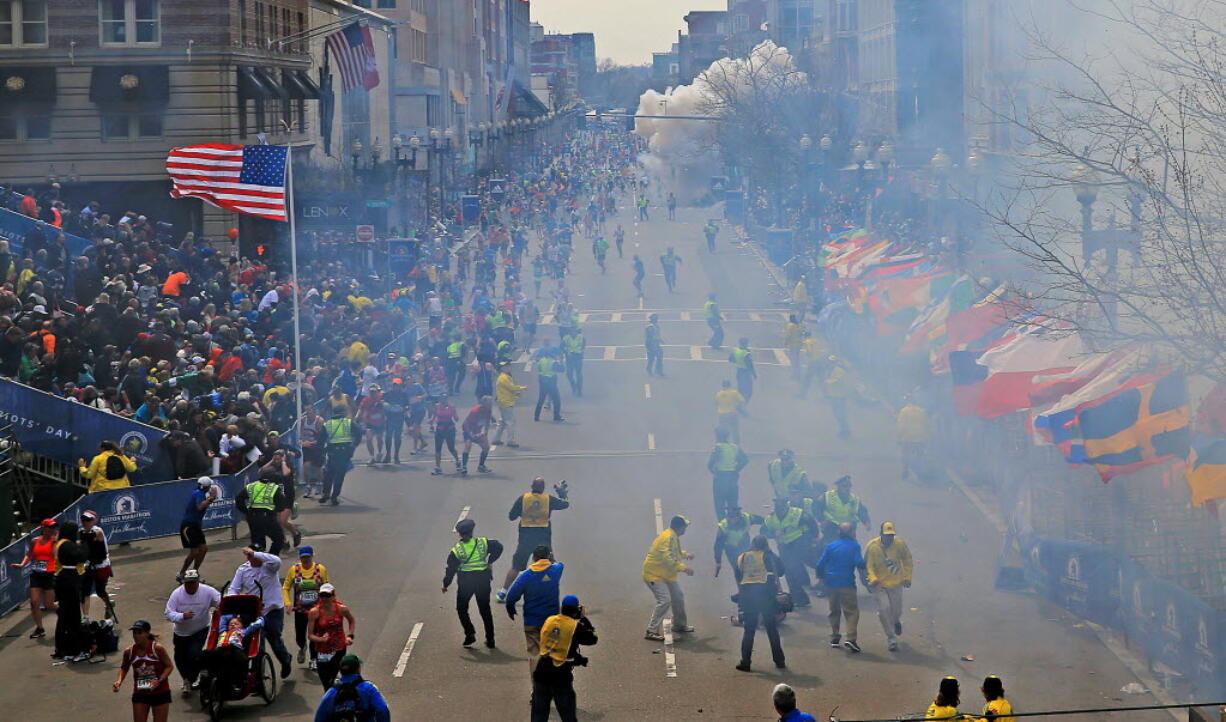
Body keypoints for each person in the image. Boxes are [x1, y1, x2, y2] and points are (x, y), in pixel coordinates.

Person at [531, 594, 598, 722]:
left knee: (539, 714)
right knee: (567, 713)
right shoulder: (574, 626)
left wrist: (577, 658)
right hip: (560, 675)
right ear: (577, 610)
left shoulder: (550, 620)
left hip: (541, 671)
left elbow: (558, 642)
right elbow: (592, 639)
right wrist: (583, 618)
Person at [500, 477, 570, 599]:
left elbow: (511, 516)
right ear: (543, 488)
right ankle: (550, 592)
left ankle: (503, 592)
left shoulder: (523, 498)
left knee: (516, 565)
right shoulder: (548, 499)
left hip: (526, 537)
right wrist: (561, 491)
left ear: (531, 486)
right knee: (549, 565)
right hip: (543, 537)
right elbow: (565, 504)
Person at [229, 547, 294, 678]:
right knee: (257, 645)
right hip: (254, 612)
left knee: (275, 641)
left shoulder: (270, 566)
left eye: (257, 555)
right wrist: (232, 602)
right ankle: (258, 677)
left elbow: (277, 560)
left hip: (272, 610)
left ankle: (286, 659)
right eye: (251, 556)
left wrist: (256, 553)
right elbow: (233, 589)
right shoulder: (243, 570)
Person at [442, 518, 504, 648]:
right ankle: (490, 639)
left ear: (459, 533)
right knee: (485, 610)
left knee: (462, 609)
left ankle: (470, 634)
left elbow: (451, 569)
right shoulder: (483, 543)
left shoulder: (457, 550)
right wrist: (490, 561)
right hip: (483, 580)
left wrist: (446, 584)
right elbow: (499, 546)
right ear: (472, 531)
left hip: (466, 582)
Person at [505, 545, 564, 678]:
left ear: (533, 558)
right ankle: (553, 683)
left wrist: (511, 609)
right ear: (548, 557)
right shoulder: (556, 570)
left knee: (534, 653)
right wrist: (550, 558)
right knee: (552, 651)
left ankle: (537, 687)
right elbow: (559, 564)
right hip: (552, 622)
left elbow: (511, 597)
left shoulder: (525, 575)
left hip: (532, 622)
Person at [164, 569, 221, 694]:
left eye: (193, 583)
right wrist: (181, 616)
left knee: (193, 654)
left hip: (200, 629)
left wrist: (219, 608)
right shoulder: (177, 594)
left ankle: (193, 677)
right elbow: (168, 614)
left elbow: (221, 601)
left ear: (198, 582)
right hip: (181, 632)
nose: (190, 586)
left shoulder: (207, 591)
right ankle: (187, 679)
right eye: (188, 583)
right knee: (179, 658)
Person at [734, 535, 786, 671]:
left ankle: (745, 662)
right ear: (766, 544)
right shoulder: (769, 556)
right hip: (767, 597)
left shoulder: (743, 557)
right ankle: (779, 661)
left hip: (748, 597)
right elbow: (781, 571)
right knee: (771, 629)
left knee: (749, 630)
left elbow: (738, 576)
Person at [815, 522, 868, 653]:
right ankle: (850, 638)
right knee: (851, 611)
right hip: (847, 583)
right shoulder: (854, 546)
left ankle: (834, 637)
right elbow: (859, 563)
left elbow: (819, 564)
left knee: (834, 610)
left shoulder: (831, 546)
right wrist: (867, 562)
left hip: (831, 583)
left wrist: (821, 578)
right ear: (851, 533)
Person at [642, 514, 694, 641]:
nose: (685, 529)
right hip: (654, 575)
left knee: (678, 597)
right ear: (679, 527)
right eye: (685, 527)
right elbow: (667, 558)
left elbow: (674, 552)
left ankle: (679, 625)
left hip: (665, 575)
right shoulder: (668, 537)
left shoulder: (673, 536)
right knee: (665, 600)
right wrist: (684, 568)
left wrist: (686, 554)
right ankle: (651, 630)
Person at [865, 521, 913, 651]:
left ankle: (896, 621)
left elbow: (907, 559)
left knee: (897, 611)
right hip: (879, 585)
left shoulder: (900, 544)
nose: (889, 538)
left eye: (891, 535)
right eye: (887, 535)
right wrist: (873, 579)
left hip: (896, 583)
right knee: (884, 610)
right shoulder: (872, 546)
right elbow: (868, 566)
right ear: (881, 534)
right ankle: (891, 638)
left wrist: (908, 577)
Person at [113, 620, 174, 722]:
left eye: (139, 632)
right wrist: (119, 681)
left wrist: (159, 680)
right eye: (134, 633)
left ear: (147, 633)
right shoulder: (129, 651)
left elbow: (169, 666)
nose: (136, 636)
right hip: (141, 692)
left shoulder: (157, 648)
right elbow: (124, 667)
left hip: (160, 692)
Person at [763, 497, 818, 609]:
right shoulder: (771, 519)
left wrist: (814, 537)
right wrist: (773, 533)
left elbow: (811, 523)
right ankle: (800, 598)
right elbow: (763, 531)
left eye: (782, 509)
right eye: (779, 510)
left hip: (800, 542)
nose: (781, 512)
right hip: (784, 547)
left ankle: (825, 580)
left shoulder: (797, 513)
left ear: (786, 508)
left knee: (805, 564)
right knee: (791, 571)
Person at [284, 545, 330, 670]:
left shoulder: (320, 569)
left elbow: (326, 587)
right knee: (300, 635)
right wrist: (288, 603)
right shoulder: (294, 569)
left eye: (308, 557)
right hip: (300, 610)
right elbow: (286, 587)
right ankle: (302, 647)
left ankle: (313, 659)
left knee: (314, 635)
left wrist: (328, 604)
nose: (306, 560)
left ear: (312, 556)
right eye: (303, 558)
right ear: (300, 557)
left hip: (316, 610)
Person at [11, 518, 58, 639]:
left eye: (53, 527)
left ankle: (65, 612)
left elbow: (56, 554)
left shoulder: (54, 541)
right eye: (50, 527)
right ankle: (40, 628)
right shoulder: (34, 541)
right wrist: (22, 565)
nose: (52, 530)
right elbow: (29, 554)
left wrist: (55, 540)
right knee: (34, 602)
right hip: (36, 574)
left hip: (49, 574)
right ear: (43, 528)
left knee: (49, 605)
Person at [307, 583, 356, 691]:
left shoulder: (342, 609)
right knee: (325, 682)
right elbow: (310, 635)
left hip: (339, 648)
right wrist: (321, 639)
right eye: (322, 595)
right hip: (322, 650)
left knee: (331, 678)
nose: (324, 598)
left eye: (327, 595)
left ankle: (332, 701)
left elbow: (351, 621)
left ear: (333, 596)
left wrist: (350, 636)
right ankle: (330, 699)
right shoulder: (314, 612)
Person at [312, 654, 391, 722]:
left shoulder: (332, 692)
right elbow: (382, 709)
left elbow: (320, 717)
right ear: (358, 670)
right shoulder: (368, 688)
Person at [52, 520, 88, 660]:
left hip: (62, 581)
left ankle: (62, 649)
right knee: (72, 616)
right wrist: (84, 544)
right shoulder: (66, 544)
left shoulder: (60, 543)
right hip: (68, 582)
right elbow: (81, 557)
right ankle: (75, 649)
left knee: (64, 617)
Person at [237, 466, 287, 555]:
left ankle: (255, 560)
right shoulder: (274, 488)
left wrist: (246, 512)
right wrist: (276, 510)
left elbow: (239, 499)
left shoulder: (251, 486)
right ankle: (271, 559)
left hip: (253, 517)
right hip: (268, 517)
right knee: (279, 539)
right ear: (272, 476)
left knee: (257, 543)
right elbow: (281, 505)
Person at [178, 476, 218, 582]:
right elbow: (200, 507)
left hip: (196, 526)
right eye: (209, 486)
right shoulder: (197, 494)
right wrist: (211, 498)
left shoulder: (200, 494)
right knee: (194, 551)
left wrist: (211, 498)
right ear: (205, 486)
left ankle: (194, 573)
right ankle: (181, 574)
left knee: (203, 549)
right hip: (189, 526)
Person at [322, 407, 361, 505]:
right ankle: (334, 497)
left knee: (328, 474)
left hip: (331, 452)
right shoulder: (349, 422)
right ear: (343, 412)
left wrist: (322, 452)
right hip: (344, 453)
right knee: (339, 476)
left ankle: (326, 493)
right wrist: (353, 445)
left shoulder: (327, 424)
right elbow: (359, 433)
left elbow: (321, 440)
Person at [78, 510, 114, 618]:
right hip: (89, 565)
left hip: (101, 565)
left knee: (100, 591)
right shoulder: (82, 532)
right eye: (83, 520)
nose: (85, 522)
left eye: (88, 520)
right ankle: (86, 617)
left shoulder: (98, 531)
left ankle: (108, 604)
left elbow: (88, 538)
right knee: (85, 591)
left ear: (94, 520)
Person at [708, 428, 749, 519]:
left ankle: (722, 526)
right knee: (733, 504)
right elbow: (745, 460)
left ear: (717, 436)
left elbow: (710, 463)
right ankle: (733, 524)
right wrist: (736, 469)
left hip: (720, 478)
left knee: (720, 505)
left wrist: (713, 470)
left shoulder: (718, 447)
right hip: (732, 478)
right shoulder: (734, 447)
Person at [815, 474, 870, 542]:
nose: (847, 489)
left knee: (852, 548)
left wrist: (866, 522)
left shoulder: (854, 499)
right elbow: (817, 507)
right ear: (838, 487)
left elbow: (862, 511)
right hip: (831, 528)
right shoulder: (827, 496)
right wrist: (821, 520)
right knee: (828, 547)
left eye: (849, 486)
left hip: (848, 530)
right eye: (844, 486)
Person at [714, 505, 765, 576]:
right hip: (731, 550)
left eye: (733, 517)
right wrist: (718, 561)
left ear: (739, 516)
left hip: (746, 547)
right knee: (738, 571)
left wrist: (766, 527)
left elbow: (762, 520)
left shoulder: (748, 518)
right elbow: (718, 545)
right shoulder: (723, 527)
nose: (731, 520)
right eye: (729, 517)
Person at [897, 398, 932, 481]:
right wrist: (928, 437)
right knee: (920, 455)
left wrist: (899, 437)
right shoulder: (922, 411)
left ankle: (905, 470)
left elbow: (901, 426)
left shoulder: (904, 411)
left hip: (907, 437)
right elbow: (927, 425)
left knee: (905, 454)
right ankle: (920, 472)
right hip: (920, 438)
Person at [493, 364, 527, 448]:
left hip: (504, 402)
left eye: (508, 366)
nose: (508, 368)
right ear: (502, 368)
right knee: (510, 422)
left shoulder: (505, 377)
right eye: (506, 367)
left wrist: (516, 393)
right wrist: (522, 388)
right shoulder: (504, 378)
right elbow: (511, 387)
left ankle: (496, 439)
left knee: (502, 422)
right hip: (506, 402)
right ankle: (510, 440)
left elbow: (508, 389)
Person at [461, 395, 495, 474]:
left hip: (478, 431)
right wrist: (470, 434)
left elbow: (487, 422)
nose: (491, 405)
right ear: (484, 404)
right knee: (468, 446)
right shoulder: (475, 411)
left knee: (486, 447)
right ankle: (464, 467)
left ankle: (481, 466)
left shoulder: (489, 410)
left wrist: (485, 433)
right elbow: (466, 423)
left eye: (491, 403)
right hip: (468, 430)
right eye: (489, 403)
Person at [824, 355, 854, 439]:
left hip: (839, 397)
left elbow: (838, 382)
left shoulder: (839, 371)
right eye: (829, 362)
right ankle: (844, 430)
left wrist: (828, 382)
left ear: (835, 362)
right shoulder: (830, 370)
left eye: (832, 362)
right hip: (834, 396)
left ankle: (846, 431)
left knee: (841, 415)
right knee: (838, 414)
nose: (830, 363)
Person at [431, 396, 462, 475]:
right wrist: (431, 420)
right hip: (440, 429)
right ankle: (438, 467)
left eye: (445, 398)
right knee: (438, 449)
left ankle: (457, 461)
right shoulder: (437, 406)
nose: (443, 400)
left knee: (451, 448)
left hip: (449, 429)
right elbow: (433, 416)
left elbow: (456, 418)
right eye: (442, 399)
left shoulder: (451, 406)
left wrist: (454, 414)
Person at [714, 380, 747, 445]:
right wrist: (739, 408)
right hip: (732, 414)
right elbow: (742, 401)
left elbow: (716, 403)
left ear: (722, 385)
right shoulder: (734, 393)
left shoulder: (718, 394)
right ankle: (737, 445)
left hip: (722, 415)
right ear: (730, 385)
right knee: (735, 431)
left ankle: (723, 445)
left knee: (723, 431)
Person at [533, 352, 563, 422]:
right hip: (551, 381)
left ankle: (536, 416)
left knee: (541, 400)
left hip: (542, 381)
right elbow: (561, 369)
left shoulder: (541, 360)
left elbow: (539, 369)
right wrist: (561, 362)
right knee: (556, 400)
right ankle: (556, 416)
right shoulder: (553, 362)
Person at [729, 337, 757, 403]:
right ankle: (745, 400)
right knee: (748, 387)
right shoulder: (746, 353)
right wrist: (754, 374)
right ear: (746, 344)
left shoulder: (736, 350)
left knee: (740, 385)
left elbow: (730, 359)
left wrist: (738, 360)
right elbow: (750, 365)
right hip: (746, 372)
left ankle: (739, 398)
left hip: (739, 371)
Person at [562, 327, 586, 396]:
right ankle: (573, 385)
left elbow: (583, 346)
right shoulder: (566, 338)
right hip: (569, 357)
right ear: (569, 332)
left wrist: (581, 352)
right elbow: (561, 347)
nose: (573, 333)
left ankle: (579, 390)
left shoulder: (581, 337)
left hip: (578, 357)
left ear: (577, 331)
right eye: (571, 331)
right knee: (569, 374)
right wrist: (567, 351)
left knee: (578, 374)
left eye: (574, 331)